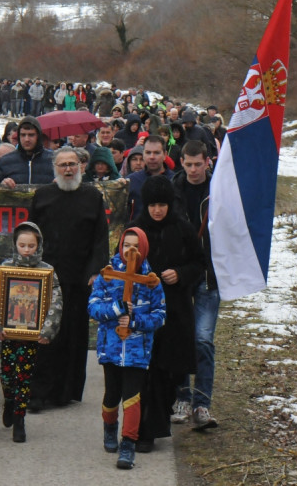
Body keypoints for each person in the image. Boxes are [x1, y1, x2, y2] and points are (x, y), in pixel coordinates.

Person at [28, 148, 109, 410]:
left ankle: (65, 392)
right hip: (47, 278)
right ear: (55, 168)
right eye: (62, 165)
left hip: (79, 279)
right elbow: (30, 236)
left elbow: (100, 237)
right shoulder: (42, 196)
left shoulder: (92, 196)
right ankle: (39, 392)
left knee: (73, 336)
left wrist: (96, 271)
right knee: (45, 336)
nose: (67, 169)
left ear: (80, 167)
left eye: (72, 164)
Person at [129, 175, 204, 452]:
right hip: (142, 312)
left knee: (166, 373)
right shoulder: (135, 231)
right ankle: (142, 431)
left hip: (174, 313)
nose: (157, 210)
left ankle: (156, 425)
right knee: (144, 372)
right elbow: (119, 263)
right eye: (152, 205)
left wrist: (181, 274)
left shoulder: (183, 229)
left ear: (170, 204)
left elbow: (199, 263)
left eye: (162, 204)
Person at [88, 227, 166, 470]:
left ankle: (128, 443)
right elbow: (93, 307)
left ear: (143, 248)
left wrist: (135, 322)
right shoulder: (108, 276)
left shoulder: (151, 282)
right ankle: (110, 428)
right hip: (110, 348)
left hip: (137, 350)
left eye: (135, 246)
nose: (130, 251)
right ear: (119, 247)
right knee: (112, 395)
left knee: (132, 397)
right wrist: (116, 309)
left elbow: (160, 316)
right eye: (125, 245)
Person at [0, 222, 63, 443]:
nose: (27, 249)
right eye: (22, 245)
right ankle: (9, 400)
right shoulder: (5, 269)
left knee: (24, 376)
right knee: (7, 373)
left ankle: (20, 419)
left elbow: (56, 303)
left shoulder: (47, 272)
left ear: (38, 245)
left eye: (31, 245)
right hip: (9, 333)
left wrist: (47, 330)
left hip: (31, 336)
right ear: (15, 245)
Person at [172, 140, 220, 430]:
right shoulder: (172, 190)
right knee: (179, 336)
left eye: (197, 164)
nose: (192, 169)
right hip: (179, 274)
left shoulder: (220, 190)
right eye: (188, 164)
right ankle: (181, 398)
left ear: (207, 162)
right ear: (181, 163)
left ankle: (202, 404)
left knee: (202, 339)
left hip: (208, 275)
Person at [0, 116, 55, 187]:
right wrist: (1, 186)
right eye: (23, 135)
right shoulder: (5, 161)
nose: (26, 139)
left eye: (31, 135)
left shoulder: (53, 160)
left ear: (38, 136)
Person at [126, 136, 174, 221]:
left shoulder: (175, 180)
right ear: (143, 154)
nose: (152, 157)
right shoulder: (131, 181)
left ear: (165, 155)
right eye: (148, 152)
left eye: (156, 153)